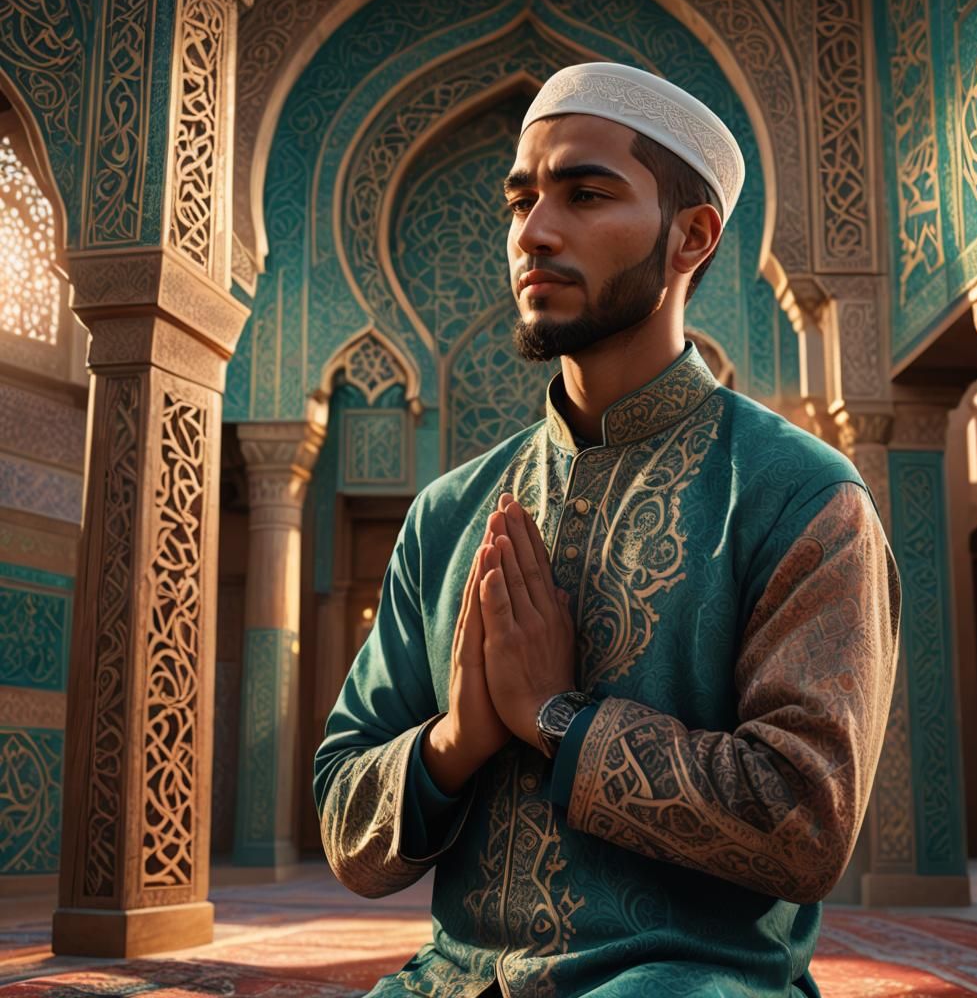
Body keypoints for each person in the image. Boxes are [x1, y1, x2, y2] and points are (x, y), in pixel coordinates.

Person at [313, 62, 901, 998]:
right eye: (521, 200)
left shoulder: (803, 499)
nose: (534, 233)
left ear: (692, 237)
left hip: (688, 981)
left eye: (586, 194)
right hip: (452, 980)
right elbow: (346, 825)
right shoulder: (451, 513)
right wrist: (458, 738)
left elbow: (806, 822)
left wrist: (557, 721)